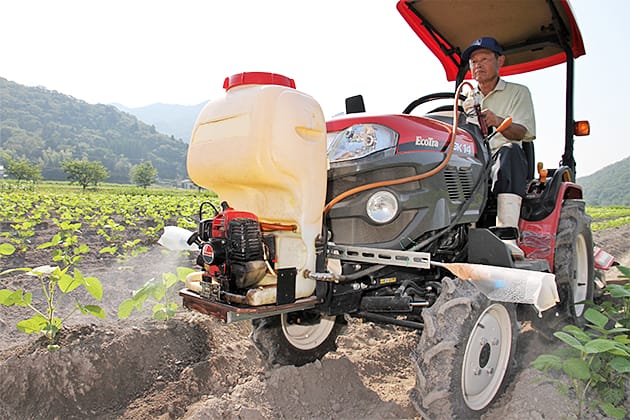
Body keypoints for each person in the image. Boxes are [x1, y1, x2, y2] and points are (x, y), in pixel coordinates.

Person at [462, 37, 536, 259]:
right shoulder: (465, 98)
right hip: (473, 160)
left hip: (503, 160)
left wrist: (496, 120)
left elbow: (522, 133)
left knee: (509, 151)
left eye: (484, 59)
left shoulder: (518, 92)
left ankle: (507, 235)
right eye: (474, 61)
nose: (478, 65)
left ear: (500, 61)